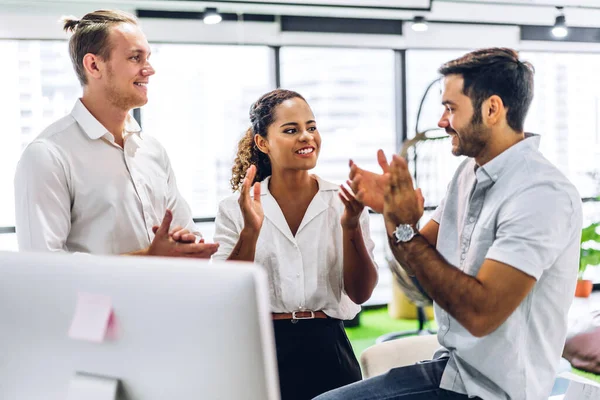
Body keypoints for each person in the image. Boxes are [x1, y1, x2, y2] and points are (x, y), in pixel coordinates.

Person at [316, 48, 582, 399]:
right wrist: (392, 213)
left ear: (492, 110)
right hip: (453, 371)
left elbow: (480, 313)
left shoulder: (541, 193)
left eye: (451, 108)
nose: (442, 121)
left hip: (498, 391)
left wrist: (403, 226)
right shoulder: (466, 174)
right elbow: (416, 270)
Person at [212, 89, 379, 400]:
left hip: (330, 349)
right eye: (291, 130)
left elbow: (360, 292)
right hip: (262, 348)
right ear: (262, 143)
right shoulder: (235, 208)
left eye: (311, 127)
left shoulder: (342, 202)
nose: (306, 137)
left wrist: (351, 226)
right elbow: (225, 295)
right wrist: (251, 231)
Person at [14, 10, 218, 258]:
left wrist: (187, 246)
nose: (149, 70)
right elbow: (42, 268)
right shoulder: (47, 156)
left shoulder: (152, 151)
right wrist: (150, 258)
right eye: (135, 58)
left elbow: (187, 232)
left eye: (148, 58)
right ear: (94, 65)